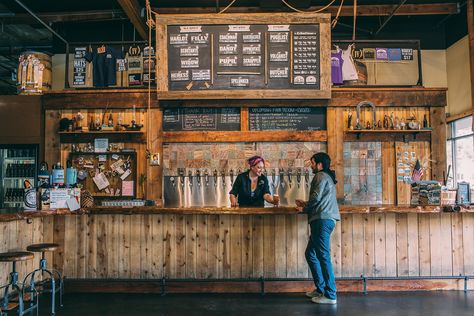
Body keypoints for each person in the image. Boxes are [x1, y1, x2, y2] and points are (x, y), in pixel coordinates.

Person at [295, 152, 340, 305]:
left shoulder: (320, 176)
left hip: (322, 220)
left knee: (323, 256)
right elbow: (319, 198)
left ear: (320, 164)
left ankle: (331, 294)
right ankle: (321, 289)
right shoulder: (326, 177)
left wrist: (305, 208)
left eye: (312, 163)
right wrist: (305, 203)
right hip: (323, 219)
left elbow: (316, 198)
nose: (311, 166)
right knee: (311, 254)